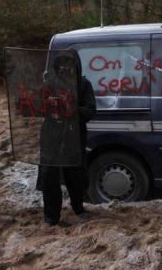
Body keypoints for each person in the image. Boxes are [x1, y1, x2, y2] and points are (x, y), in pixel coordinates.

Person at [37, 50, 96, 226]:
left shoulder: (84, 85)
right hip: (51, 135)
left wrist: (71, 110)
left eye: (68, 65)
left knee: (76, 174)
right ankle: (51, 216)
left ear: (75, 66)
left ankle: (78, 207)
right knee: (49, 176)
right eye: (61, 65)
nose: (64, 69)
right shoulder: (49, 84)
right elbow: (34, 107)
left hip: (73, 135)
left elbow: (91, 111)